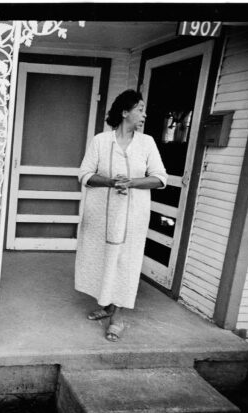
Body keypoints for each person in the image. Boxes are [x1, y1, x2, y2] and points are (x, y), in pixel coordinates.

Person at [75, 90, 168, 342]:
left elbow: (160, 178)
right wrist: (109, 181)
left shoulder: (146, 142)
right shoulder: (101, 141)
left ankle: (119, 316)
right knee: (105, 259)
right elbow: (84, 173)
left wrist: (132, 182)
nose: (144, 114)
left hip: (132, 218)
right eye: (140, 108)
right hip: (101, 216)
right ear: (125, 112)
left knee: (126, 263)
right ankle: (107, 306)